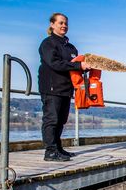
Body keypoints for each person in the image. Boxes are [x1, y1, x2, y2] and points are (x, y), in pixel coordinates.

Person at [38, 13, 90, 161]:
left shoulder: (71, 47)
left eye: (65, 23)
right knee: (51, 119)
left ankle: (58, 148)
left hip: (66, 88)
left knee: (61, 120)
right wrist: (79, 65)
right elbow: (54, 63)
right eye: (60, 23)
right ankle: (50, 151)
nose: (64, 26)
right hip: (51, 87)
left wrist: (83, 67)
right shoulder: (48, 44)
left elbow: (73, 66)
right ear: (52, 24)